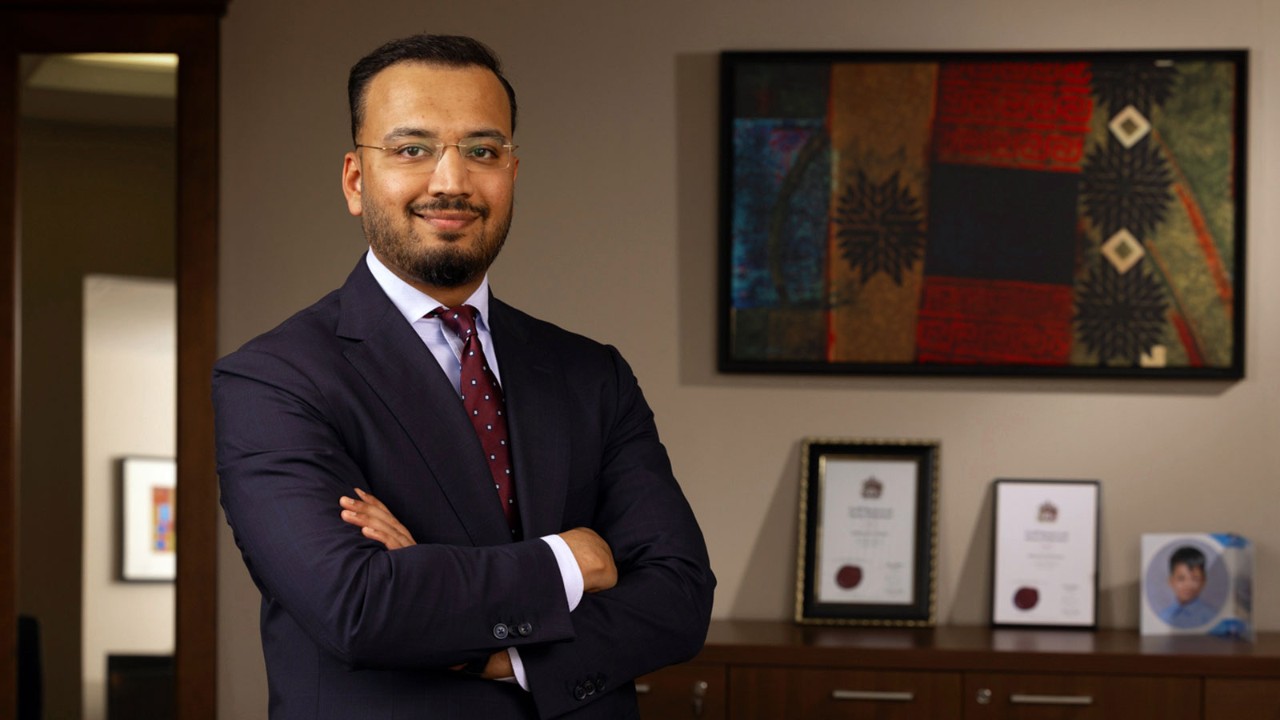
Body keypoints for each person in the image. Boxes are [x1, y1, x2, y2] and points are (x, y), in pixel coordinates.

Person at [213, 34, 715, 720]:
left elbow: (679, 597)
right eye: (411, 149)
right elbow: (358, 605)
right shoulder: (273, 380)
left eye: (482, 151)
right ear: (357, 181)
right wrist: (571, 562)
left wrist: (495, 653)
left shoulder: (591, 373)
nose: (451, 181)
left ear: (512, 170)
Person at [1158, 546, 1217, 627]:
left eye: (1195, 579)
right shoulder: (1163, 616)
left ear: (1203, 581)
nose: (1188, 585)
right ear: (1171, 581)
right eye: (1181, 579)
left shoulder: (1211, 617)